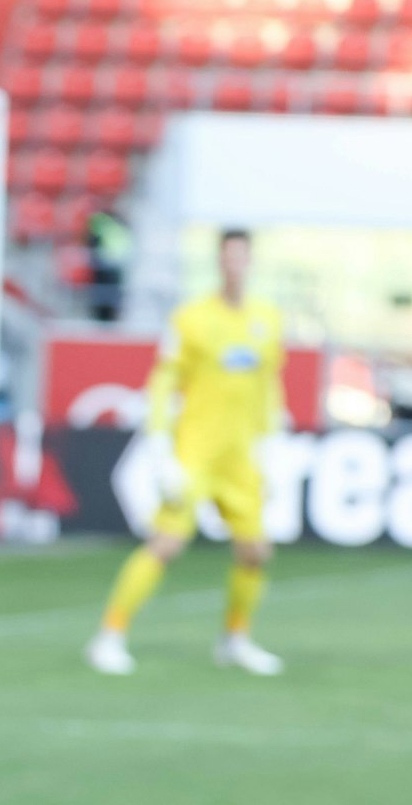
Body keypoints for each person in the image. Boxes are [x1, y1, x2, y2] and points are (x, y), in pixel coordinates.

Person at [88, 228, 284, 677]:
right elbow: (163, 382)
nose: (235, 265)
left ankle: (235, 640)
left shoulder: (267, 319)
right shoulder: (191, 319)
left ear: (250, 262)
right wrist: (161, 448)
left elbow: (268, 385)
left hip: (240, 456)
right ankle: (109, 635)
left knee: (255, 551)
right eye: (228, 257)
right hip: (194, 451)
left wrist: (271, 443)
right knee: (166, 543)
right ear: (219, 261)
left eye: (242, 257)